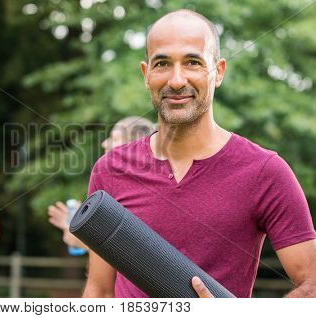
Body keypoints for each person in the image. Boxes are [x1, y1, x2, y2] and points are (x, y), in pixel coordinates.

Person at [82, 9, 316, 298]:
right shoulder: (110, 169)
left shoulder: (266, 171)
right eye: (162, 63)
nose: (177, 80)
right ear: (146, 74)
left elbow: (311, 285)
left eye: (193, 62)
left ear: (217, 72)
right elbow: (100, 291)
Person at [47, 117, 156, 251]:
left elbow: (126, 250)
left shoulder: (138, 195)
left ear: (136, 146)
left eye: (114, 138)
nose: (105, 143)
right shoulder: (112, 184)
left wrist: (76, 233)